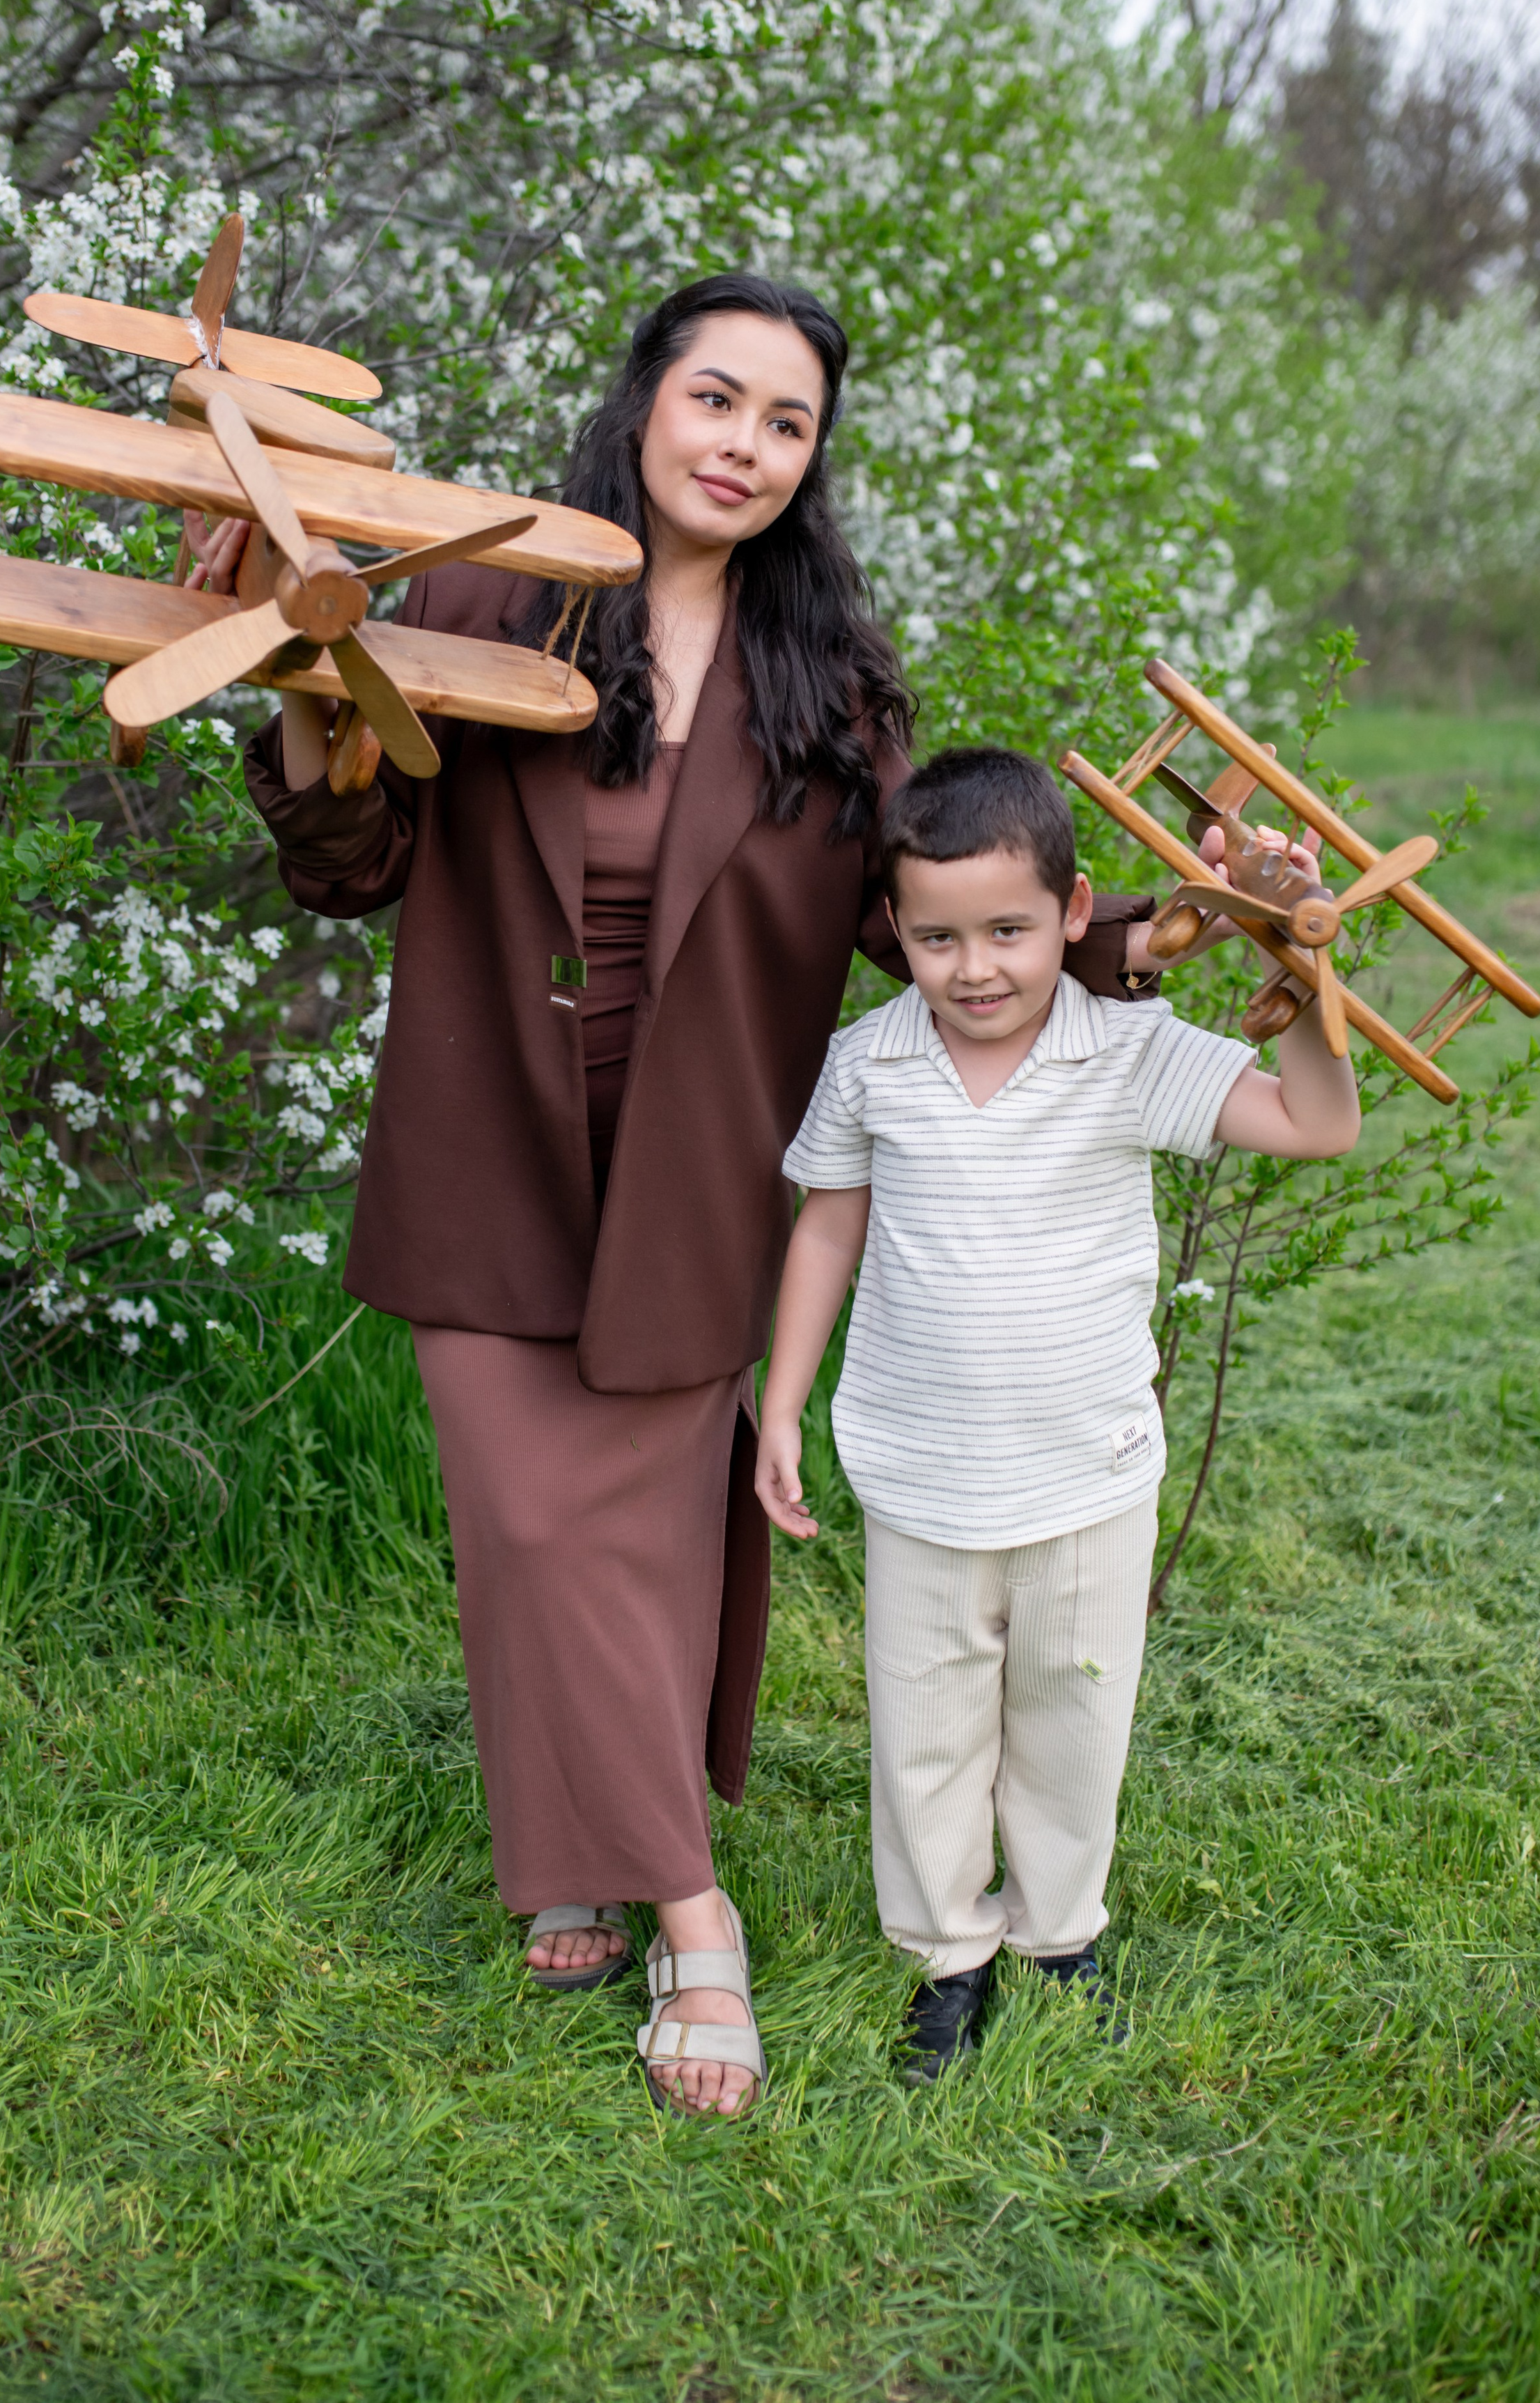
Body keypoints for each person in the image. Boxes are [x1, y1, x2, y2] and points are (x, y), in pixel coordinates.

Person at [233, 277, 1176, 2118]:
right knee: (532, 1527)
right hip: (489, 1141)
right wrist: (294, 706)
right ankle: (693, 1903)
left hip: (692, 1173)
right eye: (715, 400)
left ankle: (595, 1855)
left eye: (785, 422)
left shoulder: (830, 684)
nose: (741, 444)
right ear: (646, 404)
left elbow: (933, 931)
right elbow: (354, 861)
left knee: (649, 1545)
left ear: (812, 463)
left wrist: (1152, 940)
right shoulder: (479, 595)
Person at [754, 745, 1361, 2078]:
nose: (975, 968)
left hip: (1088, 1469)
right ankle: (945, 1957)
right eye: (937, 938)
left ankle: (1059, 1936)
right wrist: (780, 1406)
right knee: (925, 1726)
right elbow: (825, 1233)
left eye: (1010, 932)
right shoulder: (872, 1064)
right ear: (898, 934)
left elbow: (1318, 1126)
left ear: (1077, 915)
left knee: (1074, 1716)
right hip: (919, 1466)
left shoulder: (1128, 1051)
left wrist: (1313, 978)